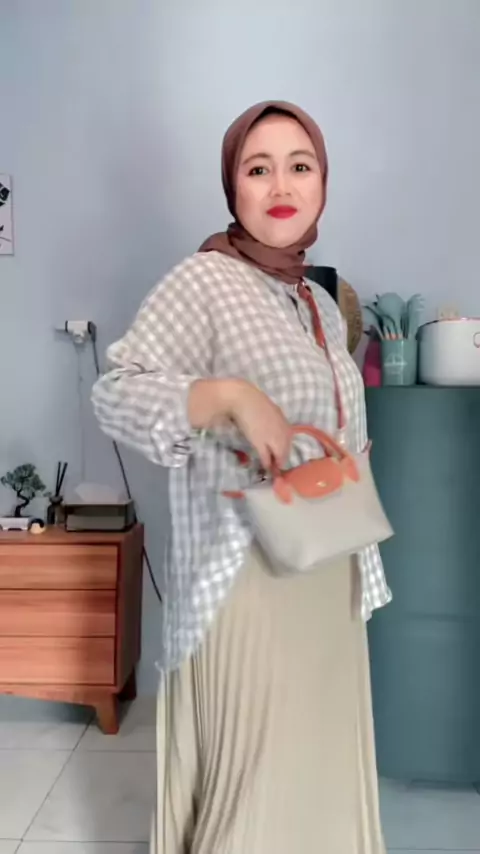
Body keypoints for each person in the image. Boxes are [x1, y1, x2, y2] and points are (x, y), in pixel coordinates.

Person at [92, 100, 392, 853]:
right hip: (245, 576)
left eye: (300, 165)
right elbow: (116, 393)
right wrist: (228, 396)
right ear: (234, 186)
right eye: (258, 169)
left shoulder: (319, 302)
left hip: (332, 568)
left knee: (318, 776)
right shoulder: (203, 281)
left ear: (323, 182)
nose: (281, 185)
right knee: (254, 793)